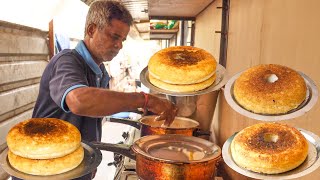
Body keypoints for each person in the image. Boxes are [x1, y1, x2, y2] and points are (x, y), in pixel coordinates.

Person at [12, 1, 177, 180]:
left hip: (75, 166)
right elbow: (79, 101)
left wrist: (138, 108)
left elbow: (98, 107)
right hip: (44, 171)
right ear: (91, 30)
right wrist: (145, 99)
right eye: (114, 36)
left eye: (122, 39)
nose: (119, 46)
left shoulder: (101, 73)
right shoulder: (67, 61)